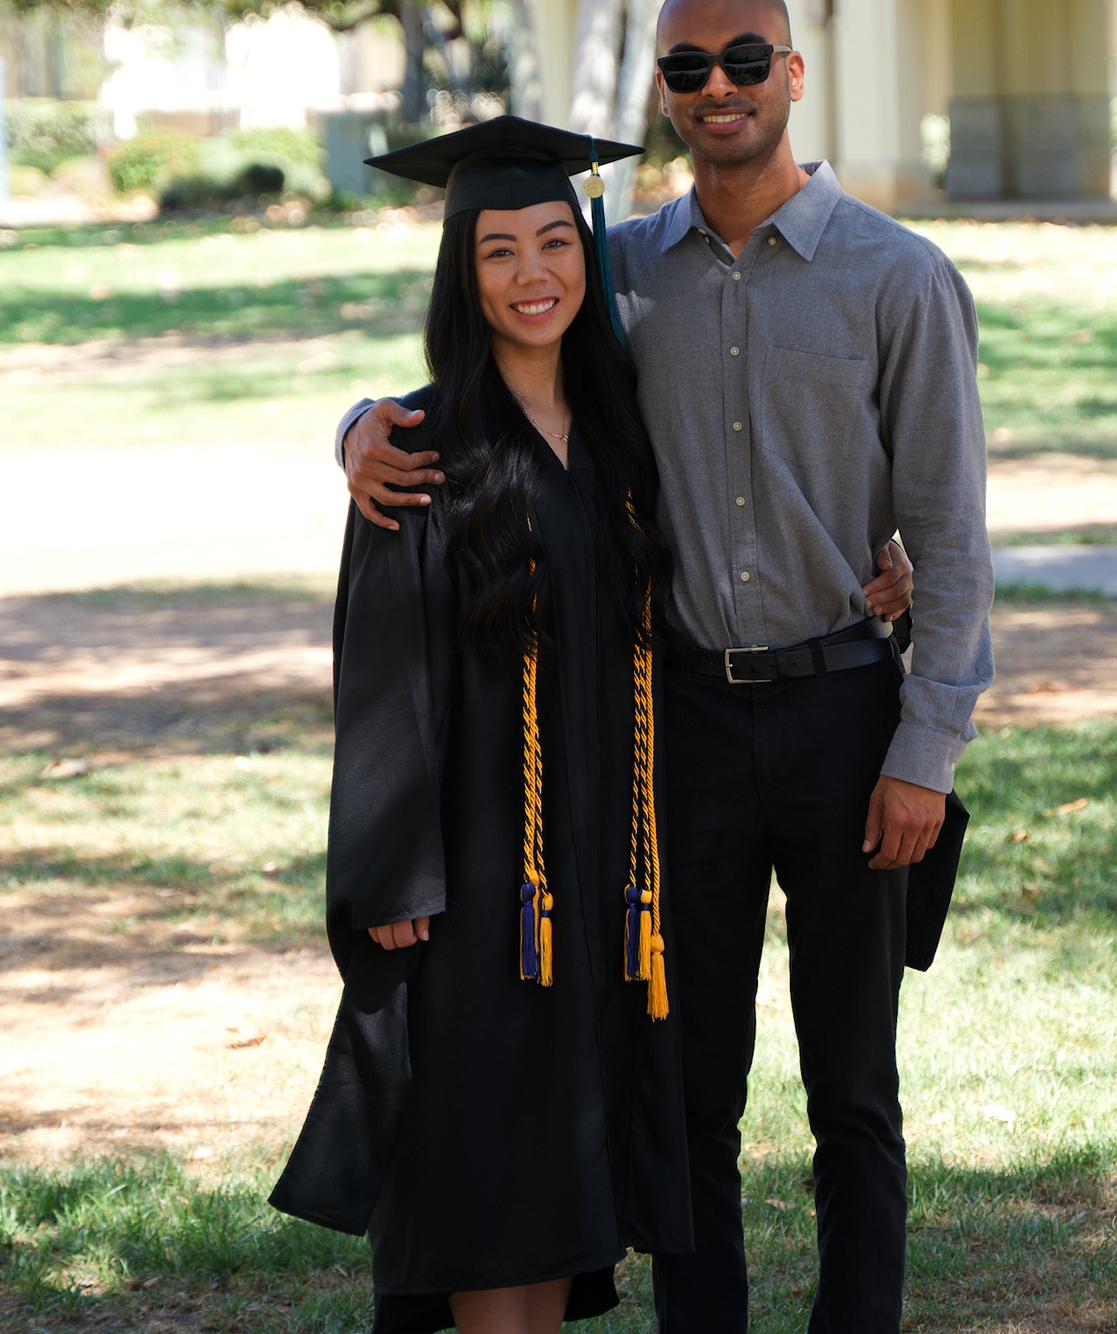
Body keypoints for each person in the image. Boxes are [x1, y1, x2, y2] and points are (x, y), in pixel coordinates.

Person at [337, 0, 994, 1328]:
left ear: (792, 76)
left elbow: (950, 538)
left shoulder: (897, 276)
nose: (719, 86)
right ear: (663, 89)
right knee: (688, 1077)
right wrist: (356, 426)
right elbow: (496, 356)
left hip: (848, 719)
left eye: (745, 60)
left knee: (853, 1089)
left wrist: (924, 753)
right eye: (688, 67)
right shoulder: (618, 272)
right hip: (679, 728)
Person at [269, 118, 694, 1334]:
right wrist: (392, 869)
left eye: (555, 241)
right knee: (478, 1147)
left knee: (566, 1149)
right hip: (475, 877)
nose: (531, 274)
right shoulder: (413, 450)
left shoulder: (621, 436)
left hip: (603, 871)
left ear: (589, 257)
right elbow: (381, 675)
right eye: (497, 250)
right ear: (462, 275)